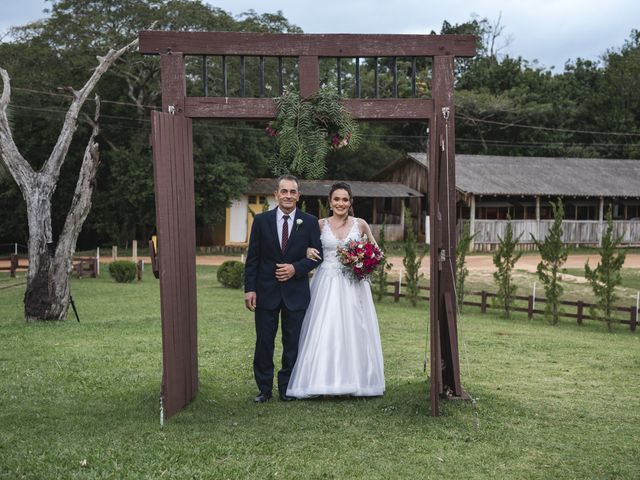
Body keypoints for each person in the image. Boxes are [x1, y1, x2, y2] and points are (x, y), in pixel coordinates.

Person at [287, 182, 385, 398]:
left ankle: (356, 381)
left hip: (353, 284)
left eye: (345, 199)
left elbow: (377, 252)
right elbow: (302, 248)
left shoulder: (360, 225)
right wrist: (307, 249)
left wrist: (364, 260)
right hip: (326, 282)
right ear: (330, 202)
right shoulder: (319, 225)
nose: (341, 203)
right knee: (326, 328)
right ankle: (322, 382)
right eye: (337, 199)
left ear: (350, 203)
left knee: (355, 329)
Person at [244, 175, 323, 403]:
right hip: (266, 291)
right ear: (276, 194)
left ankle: (287, 388)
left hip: (296, 293)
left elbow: (319, 256)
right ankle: (264, 388)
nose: (288, 195)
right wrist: (250, 289)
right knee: (264, 343)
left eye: (292, 192)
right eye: (284, 191)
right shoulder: (261, 221)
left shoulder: (309, 222)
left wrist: (295, 268)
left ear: (298, 195)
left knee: (292, 343)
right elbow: (253, 258)